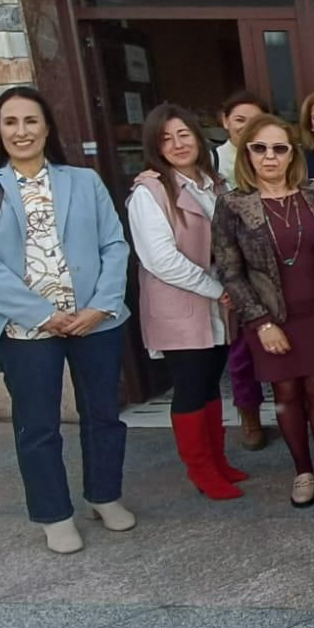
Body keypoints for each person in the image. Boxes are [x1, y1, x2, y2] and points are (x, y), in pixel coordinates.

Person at [0, 86, 134, 554]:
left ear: (47, 128)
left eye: (30, 121)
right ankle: (54, 514)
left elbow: (115, 244)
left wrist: (101, 305)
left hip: (94, 319)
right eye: (10, 122)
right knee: (37, 425)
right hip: (24, 327)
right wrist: (42, 314)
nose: (21, 131)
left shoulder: (83, 180)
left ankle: (105, 495)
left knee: (103, 415)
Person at [213, 114, 314, 507]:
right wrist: (261, 321)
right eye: (260, 148)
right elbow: (229, 270)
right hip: (269, 316)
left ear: (291, 154)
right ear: (247, 154)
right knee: (286, 393)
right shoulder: (234, 204)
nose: (270, 157)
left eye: (279, 148)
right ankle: (302, 470)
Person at [127, 103, 247, 502]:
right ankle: (200, 470)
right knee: (191, 387)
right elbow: (160, 260)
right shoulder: (150, 191)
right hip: (182, 307)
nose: (178, 144)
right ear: (155, 146)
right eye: (166, 138)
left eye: (184, 134)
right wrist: (217, 289)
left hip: (215, 305)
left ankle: (217, 460)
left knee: (212, 384)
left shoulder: (213, 183)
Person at [217, 89, 271, 450]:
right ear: (225, 122)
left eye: (255, 121)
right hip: (234, 271)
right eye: (240, 120)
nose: (247, 128)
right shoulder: (212, 163)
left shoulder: (272, 158)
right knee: (242, 354)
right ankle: (249, 415)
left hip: (274, 270)